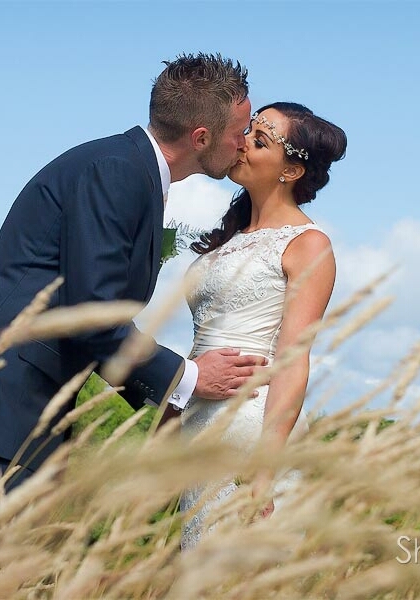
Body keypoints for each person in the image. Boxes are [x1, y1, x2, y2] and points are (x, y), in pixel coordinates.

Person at [0, 53, 267, 516]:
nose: (243, 143)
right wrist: (192, 378)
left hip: (16, 408)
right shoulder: (117, 171)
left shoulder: (128, 169)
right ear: (201, 137)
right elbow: (94, 315)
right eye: (239, 131)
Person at [170, 102, 347, 548]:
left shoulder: (308, 245)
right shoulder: (229, 237)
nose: (242, 142)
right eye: (248, 131)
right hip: (198, 426)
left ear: (291, 171)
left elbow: (292, 359)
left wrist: (266, 468)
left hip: (250, 428)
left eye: (260, 140)